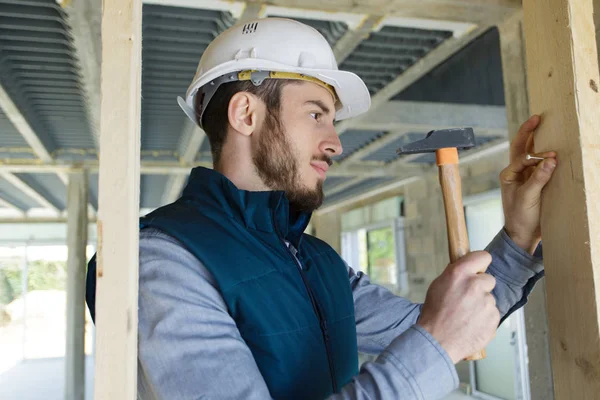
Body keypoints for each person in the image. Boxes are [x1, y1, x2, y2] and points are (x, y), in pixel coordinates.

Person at [86, 17, 557, 399]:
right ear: (246, 114)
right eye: (316, 114)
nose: (335, 143)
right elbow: (438, 336)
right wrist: (435, 343)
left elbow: (451, 321)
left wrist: (516, 240)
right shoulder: (158, 261)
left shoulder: (318, 262)